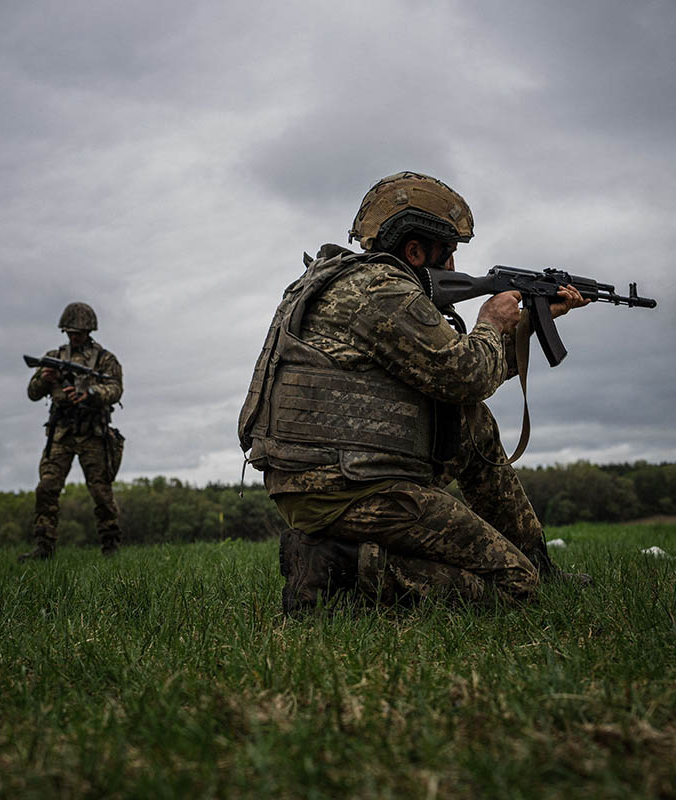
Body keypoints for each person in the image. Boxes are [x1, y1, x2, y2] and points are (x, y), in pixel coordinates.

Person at [238, 171, 592, 613]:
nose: (455, 270)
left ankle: (538, 559)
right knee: (516, 587)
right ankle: (335, 569)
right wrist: (489, 321)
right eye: (450, 255)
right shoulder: (383, 291)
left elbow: (451, 379)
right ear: (415, 250)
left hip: (321, 480)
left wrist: (535, 322)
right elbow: (467, 375)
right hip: (349, 488)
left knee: (471, 422)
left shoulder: (346, 283)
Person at [21, 302, 125, 561]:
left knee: (101, 493)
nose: (73, 336)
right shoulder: (54, 357)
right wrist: (45, 378)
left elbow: (115, 390)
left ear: (89, 330)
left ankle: (110, 547)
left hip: (93, 433)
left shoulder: (104, 360)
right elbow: (32, 394)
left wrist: (89, 393)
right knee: (46, 488)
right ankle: (44, 546)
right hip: (61, 433)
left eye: (78, 331)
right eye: (69, 331)